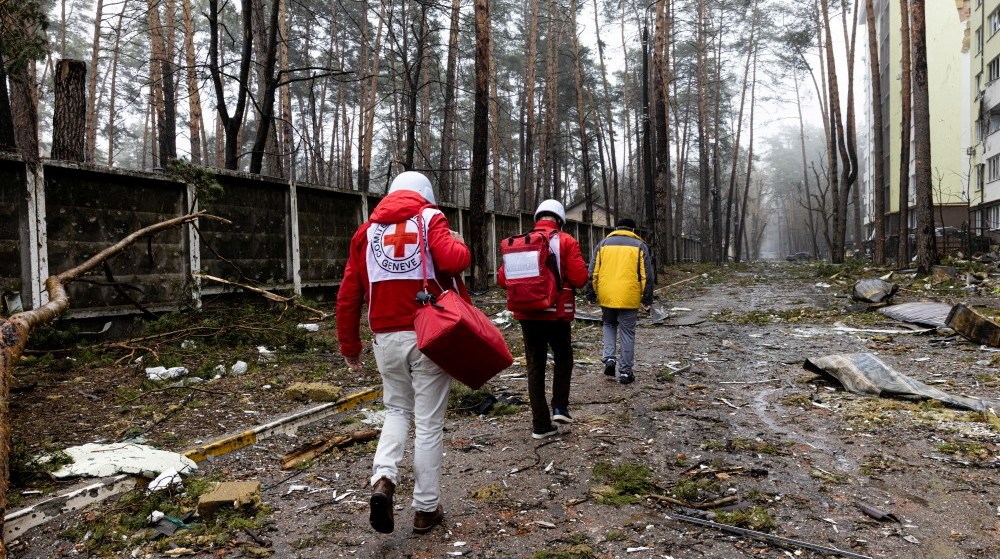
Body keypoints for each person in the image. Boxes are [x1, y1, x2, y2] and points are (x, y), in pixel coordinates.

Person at [336, 171, 470, 535]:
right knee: (427, 422)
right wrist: (458, 241)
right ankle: (426, 509)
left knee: (396, 409)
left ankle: (383, 479)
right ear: (425, 195)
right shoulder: (430, 218)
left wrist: (351, 346)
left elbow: (348, 295)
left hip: (385, 337)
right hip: (429, 333)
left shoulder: (366, 232)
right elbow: (455, 261)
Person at [498, 199, 589, 439]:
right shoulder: (566, 241)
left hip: (527, 314)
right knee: (563, 357)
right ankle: (560, 406)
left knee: (535, 365)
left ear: (537, 218)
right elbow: (580, 278)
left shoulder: (521, 242)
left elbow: (501, 278)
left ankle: (540, 424)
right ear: (560, 219)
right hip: (556, 312)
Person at [587, 217, 653, 385]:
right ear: (633, 230)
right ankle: (625, 372)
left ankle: (609, 358)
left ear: (616, 228)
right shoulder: (639, 246)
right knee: (627, 332)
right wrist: (647, 298)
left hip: (607, 293)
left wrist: (591, 293)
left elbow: (593, 271)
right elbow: (646, 275)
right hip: (629, 295)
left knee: (609, 325)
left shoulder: (602, 244)